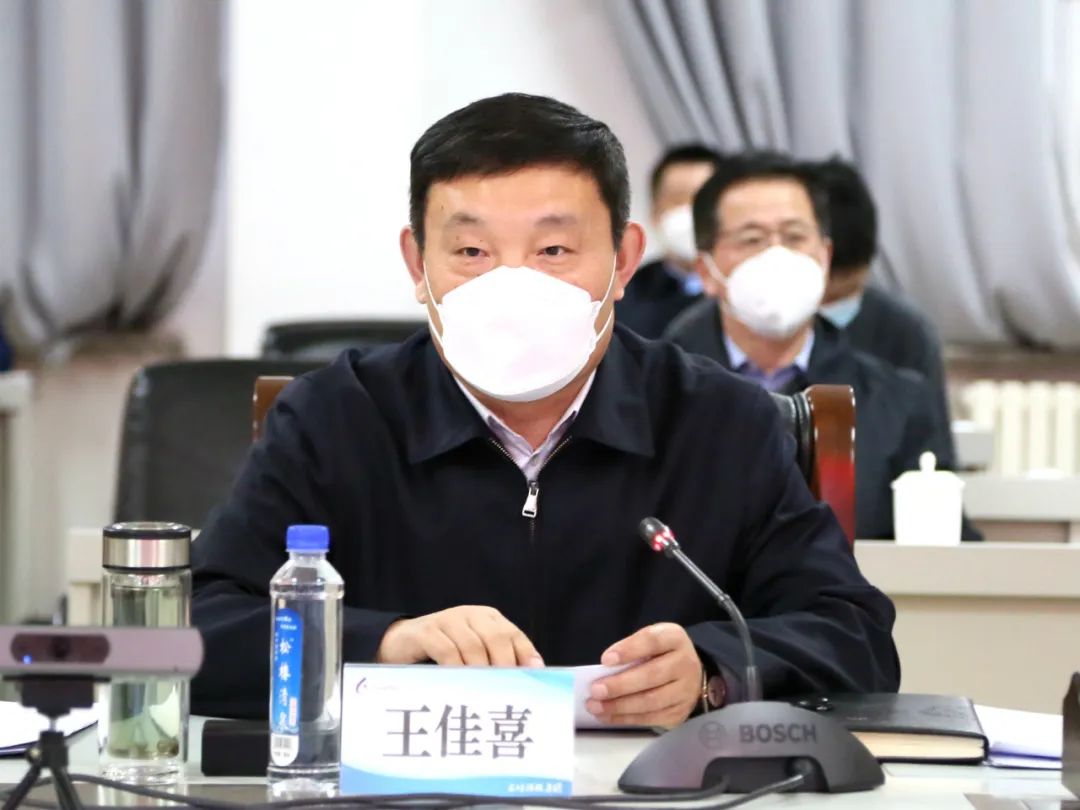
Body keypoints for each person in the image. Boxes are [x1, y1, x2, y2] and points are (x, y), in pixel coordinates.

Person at [191, 95, 899, 724]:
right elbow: (190, 634)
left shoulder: (721, 422)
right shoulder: (337, 417)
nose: (512, 286)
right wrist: (385, 642)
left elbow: (854, 636)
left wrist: (713, 671)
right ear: (417, 265)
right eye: (472, 251)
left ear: (624, 261)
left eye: (554, 249)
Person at [664, 152, 962, 540]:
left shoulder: (899, 402)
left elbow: (943, 543)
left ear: (824, 257)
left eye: (794, 237)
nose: (777, 255)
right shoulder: (661, 396)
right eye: (752, 239)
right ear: (706, 270)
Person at [812, 157, 953, 445]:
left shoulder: (907, 331)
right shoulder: (753, 322)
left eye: (845, 287)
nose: (829, 302)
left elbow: (932, 444)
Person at [614, 145, 722, 338]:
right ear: (655, 213)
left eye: (702, 200)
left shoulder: (746, 290)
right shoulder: (623, 295)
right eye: (678, 200)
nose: (691, 212)